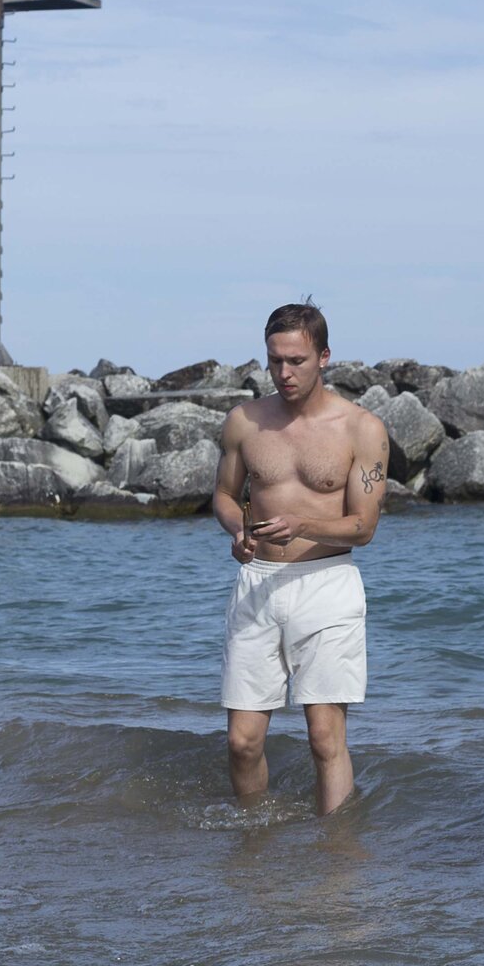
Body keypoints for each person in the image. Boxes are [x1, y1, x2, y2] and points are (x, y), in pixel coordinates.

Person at [210, 303, 390, 816]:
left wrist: (303, 525)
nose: (284, 373)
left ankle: (335, 859)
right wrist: (238, 528)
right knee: (242, 742)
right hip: (258, 584)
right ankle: (255, 843)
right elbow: (224, 495)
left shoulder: (362, 429)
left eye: (297, 360)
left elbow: (364, 527)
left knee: (324, 738)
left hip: (328, 583)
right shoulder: (244, 422)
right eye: (274, 362)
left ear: (324, 357)